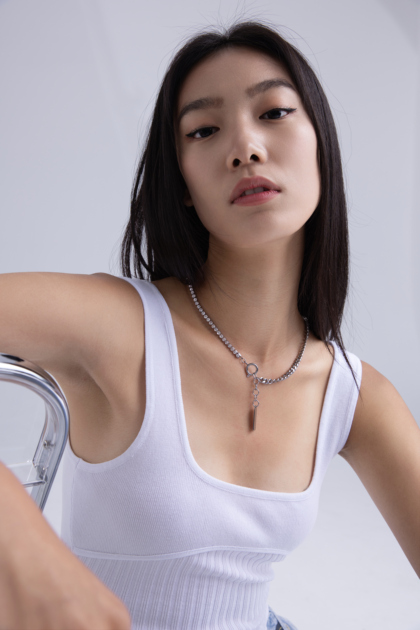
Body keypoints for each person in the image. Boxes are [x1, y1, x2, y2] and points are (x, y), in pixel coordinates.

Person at [0, 20, 419, 630]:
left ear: (321, 146)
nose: (245, 147)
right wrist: (21, 539)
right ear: (184, 185)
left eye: (273, 113)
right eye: (204, 130)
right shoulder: (118, 327)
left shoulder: (353, 394)